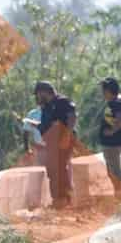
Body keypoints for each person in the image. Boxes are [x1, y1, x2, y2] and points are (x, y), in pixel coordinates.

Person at [35, 81, 77, 209]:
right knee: (53, 171)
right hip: (51, 143)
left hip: (63, 141)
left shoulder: (62, 101)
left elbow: (72, 117)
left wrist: (67, 135)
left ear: (44, 92)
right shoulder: (47, 106)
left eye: (38, 94)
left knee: (60, 169)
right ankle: (59, 199)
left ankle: (63, 199)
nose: (37, 97)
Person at [99, 77, 121, 200]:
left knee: (114, 172)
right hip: (110, 144)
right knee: (111, 171)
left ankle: (120, 197)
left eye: (104, 90)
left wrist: (111, 131)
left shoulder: (116, 103)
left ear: (109, 91)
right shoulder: (115, 102)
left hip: (113, 144)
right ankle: (118, 196)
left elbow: (120, 119)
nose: (102, 93)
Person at [21, 93, 46, 167]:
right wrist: (27, 149)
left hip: (53, 148)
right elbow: (26, 132)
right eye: (37, 98)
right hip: (40, 149)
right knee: (41, 171)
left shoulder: (53, 112)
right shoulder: (32, 114)